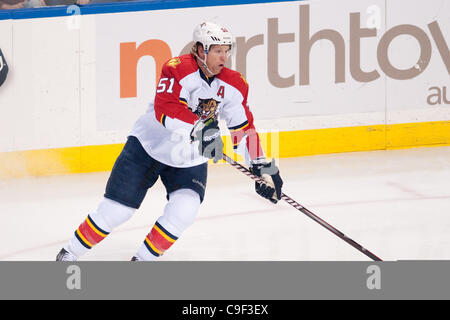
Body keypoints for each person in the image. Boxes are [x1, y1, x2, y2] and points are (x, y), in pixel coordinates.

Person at [56, 21, 284, 261]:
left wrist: (262, 166)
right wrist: (200, 127)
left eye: (227, 50)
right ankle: (70, 253)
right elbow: (165, 109)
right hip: (147, 147)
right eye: (217, 50)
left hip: (188, 158)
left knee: (185, 210)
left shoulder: (235, 84)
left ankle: (142, 261)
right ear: (199, 49)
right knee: (116, 212)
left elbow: (244, 128)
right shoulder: (176, 69)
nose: (224, 57)